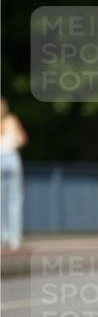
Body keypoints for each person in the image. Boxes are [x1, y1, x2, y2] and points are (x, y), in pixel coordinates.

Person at [0, 99, 28, 250]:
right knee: (15, 201)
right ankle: (14, 238)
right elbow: (23, 139)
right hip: (12, 159)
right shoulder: (12, 120)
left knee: (1, 201)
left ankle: (3, 236)